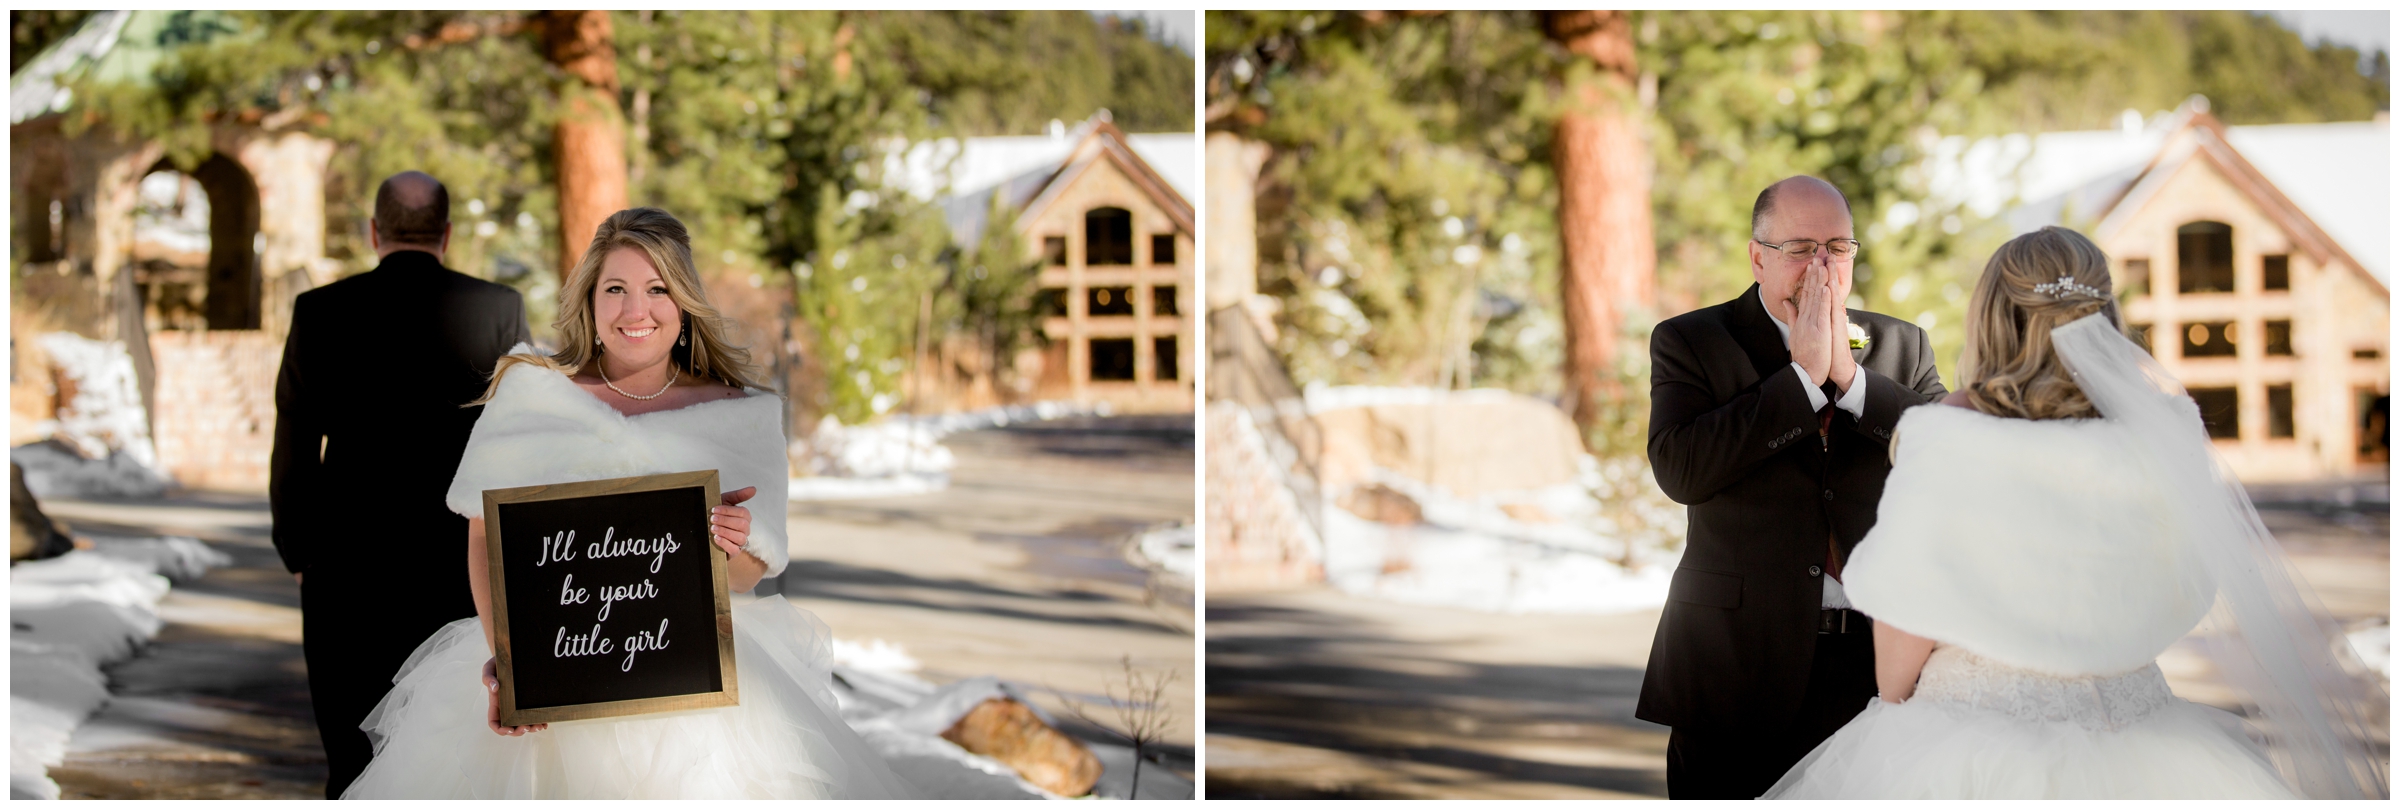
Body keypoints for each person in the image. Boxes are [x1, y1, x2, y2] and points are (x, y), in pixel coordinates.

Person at [1764, 226, 2388, 799]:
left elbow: (1906, 615)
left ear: (1993, 316)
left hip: (1972, 735)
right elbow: (2194, 587)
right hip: (2145, 734)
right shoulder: (2162, 432)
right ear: (2104, 311)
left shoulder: (1950, 434)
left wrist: (1899, 715)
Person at [340, 208, 915, 799]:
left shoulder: (742, 417)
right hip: (556, 678)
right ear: (590, 299)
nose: (635, 311)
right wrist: (508, 660)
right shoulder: (532, 394)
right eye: (615, 289)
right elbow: (487, 538)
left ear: (685, 301)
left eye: (657, 289)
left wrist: (736, 539)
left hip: (693, 695)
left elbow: (744, 578)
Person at [1640, 176, 1948, 798]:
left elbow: (1952, 459)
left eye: (1838, 248)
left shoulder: (1900, 345)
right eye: (1802, 249)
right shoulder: (1692, 341)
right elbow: (1680, 470)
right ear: (1757, 256)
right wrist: (1803, 380)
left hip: (1876, 668)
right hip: (1735, 667)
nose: (1823, 267)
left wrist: (1852, 382)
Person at [270, 171, 530, 798]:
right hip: (456, 563)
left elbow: (295, 437)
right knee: (450, 754)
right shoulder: (498, 308)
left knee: (351, 749)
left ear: (373, 231)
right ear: (446, 234)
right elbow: (520, 437)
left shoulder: (319, 311)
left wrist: (297, 547)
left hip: (344, 562)